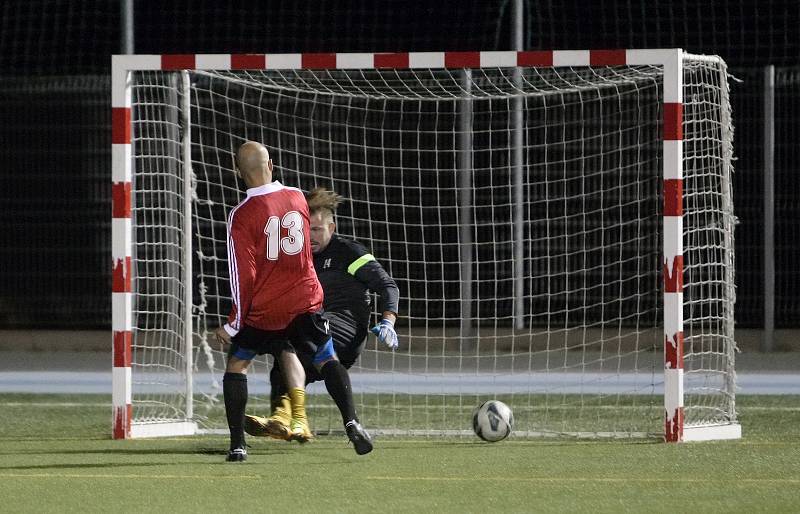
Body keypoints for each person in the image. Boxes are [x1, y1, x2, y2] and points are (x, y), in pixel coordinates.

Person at [244, 187, 400, 454]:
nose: (311, 236)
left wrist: (388, 321)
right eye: (307, 229)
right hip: (316, 324)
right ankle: (287, 419)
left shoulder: (348, 252)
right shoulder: (297, 256)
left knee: (300, 341)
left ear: (332, 227)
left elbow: (387, 286)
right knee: (285, 353)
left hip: (346, 328)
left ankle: (339, 421)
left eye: (317, 230)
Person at [215, 141, 334, 462]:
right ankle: (302, 417)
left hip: (262, 309)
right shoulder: (295, 196)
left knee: (238, 364)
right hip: (300, 304)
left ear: (237, 172)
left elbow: (243, 273)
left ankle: (238, 444)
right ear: (272, 164)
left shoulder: (242, 214)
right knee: (297, 353)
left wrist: (234, 322)